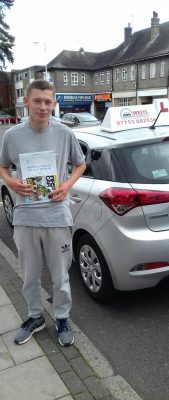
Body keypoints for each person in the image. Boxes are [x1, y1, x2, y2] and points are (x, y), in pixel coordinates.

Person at [0, 79, 86, 347]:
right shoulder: (11, 136)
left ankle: (61, 317)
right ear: (26, 101)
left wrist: (66, 186)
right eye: (37, 100)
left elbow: (80, 165)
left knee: (61, 277)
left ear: (54, 103)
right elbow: (2, 167)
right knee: (30, 276)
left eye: (48, 101)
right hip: (26, 218)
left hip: (56, 216)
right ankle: (35, 317)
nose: (43, 106)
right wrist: (11, 182)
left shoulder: (64, 133)